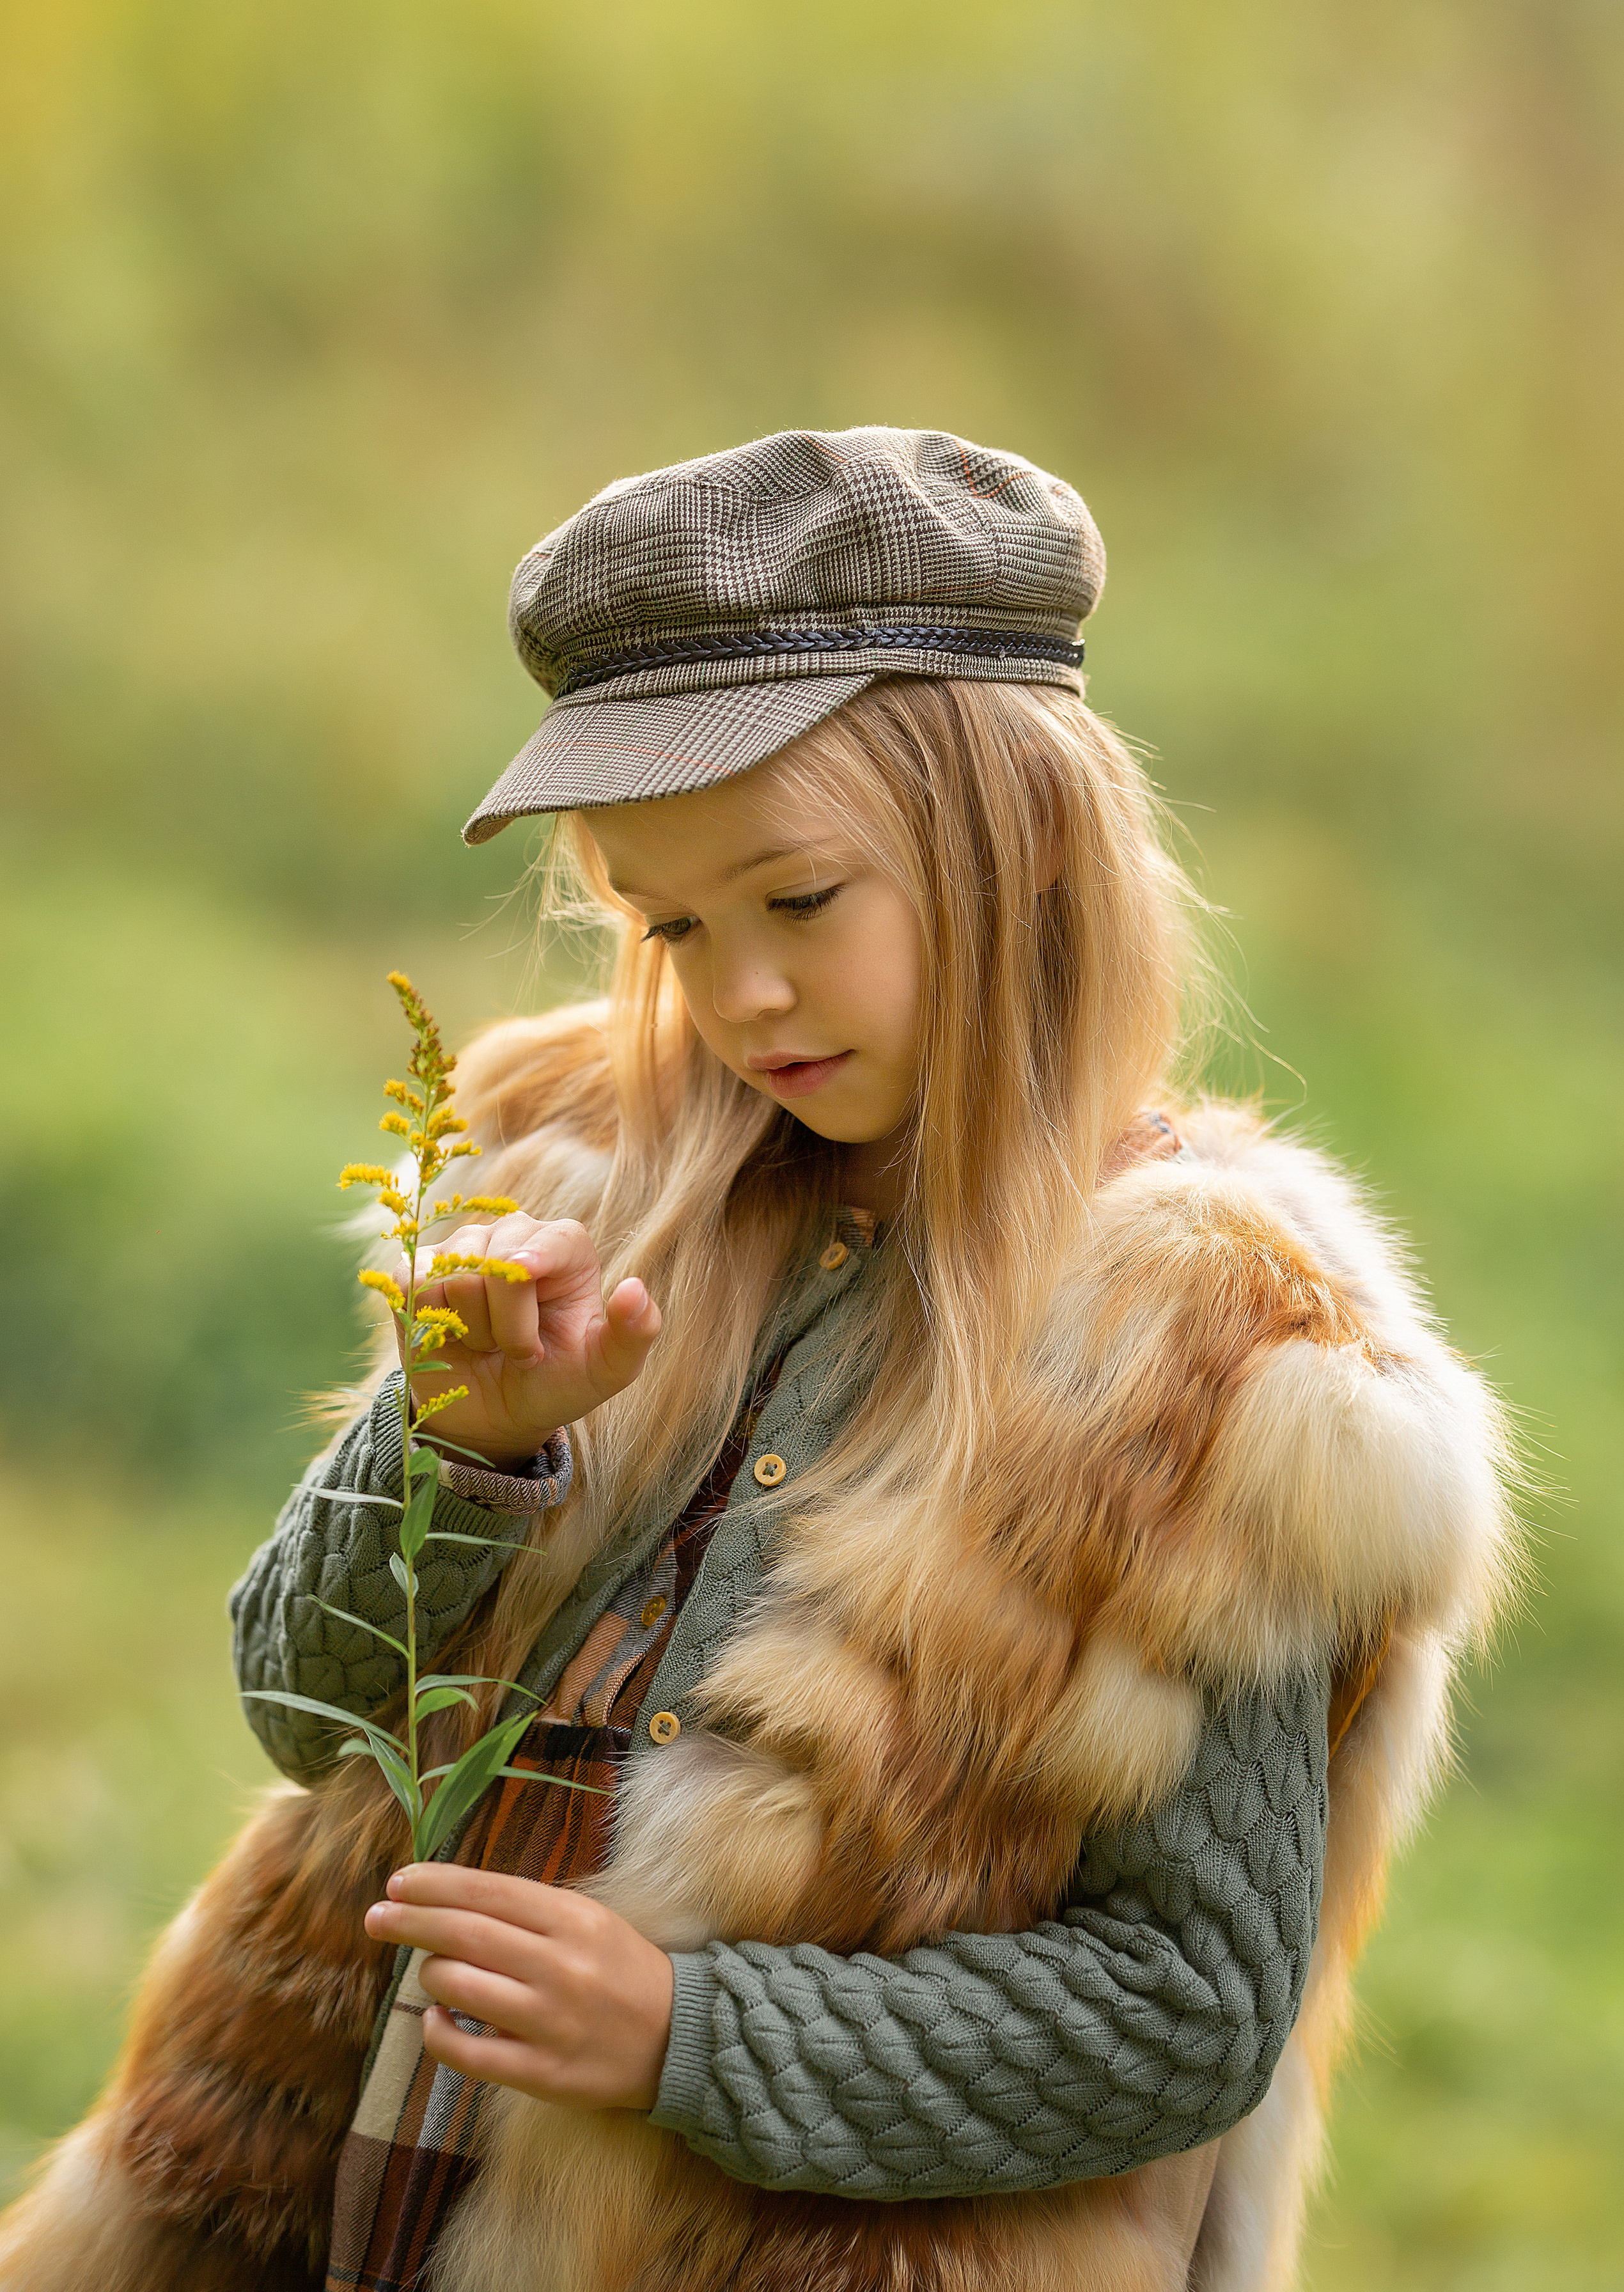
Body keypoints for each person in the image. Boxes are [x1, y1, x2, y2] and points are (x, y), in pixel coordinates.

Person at [0, 429, 1514, 2292]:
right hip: (324, 2187)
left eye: (798, 903)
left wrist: (687, 2038)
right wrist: (459, 1454)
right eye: (671, 926)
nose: (739, 997)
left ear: (1020, 850)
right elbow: (302, 1717)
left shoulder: (1214, 1368)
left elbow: (1189, 2009)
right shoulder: (593, 1188)